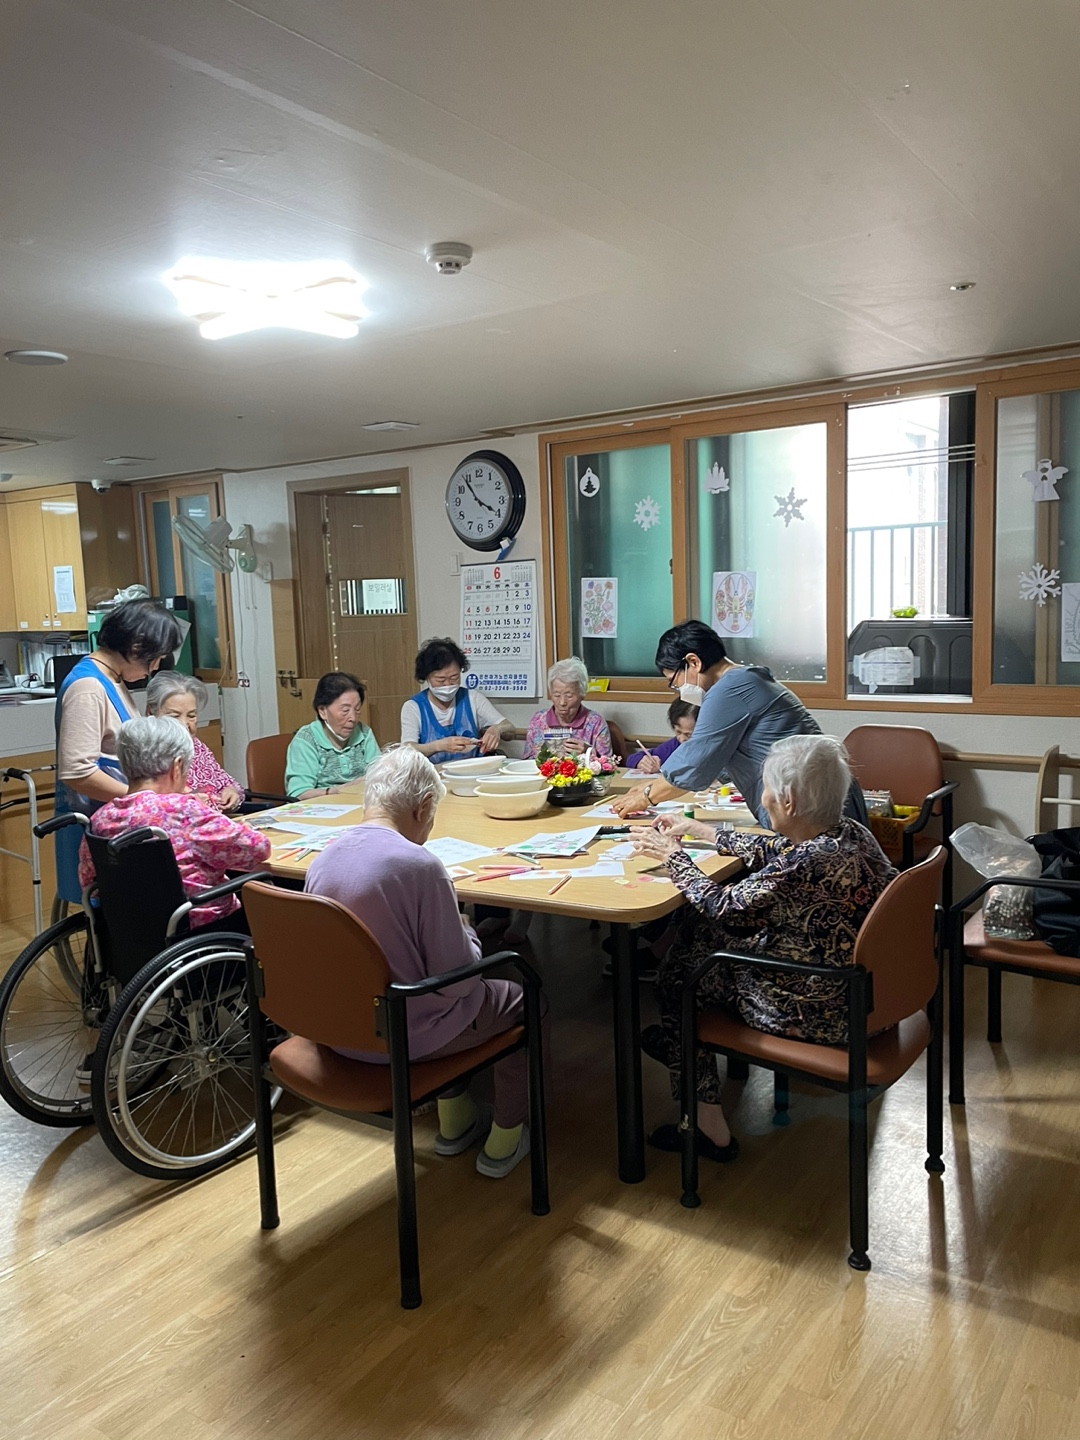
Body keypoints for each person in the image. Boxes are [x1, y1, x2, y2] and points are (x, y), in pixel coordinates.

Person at [630, 734, 895, 1162]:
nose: (762, 795)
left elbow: (723, 907)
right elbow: (779, 849)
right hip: (870, 994)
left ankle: (704, 1121)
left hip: (819, 1009)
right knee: (696, 939)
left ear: (787, 801)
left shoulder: (806, 864)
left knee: (680, 978)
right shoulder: (850, 834)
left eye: (766, 787)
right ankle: (686, 1051)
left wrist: (673, 855)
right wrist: (706, 833)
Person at [305, 747, 541, 1178]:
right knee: (521, 996)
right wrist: (468, 931)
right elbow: (459, 982)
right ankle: (506, 1136)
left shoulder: (323, 860)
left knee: (425, 985)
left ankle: (457, 1119)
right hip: (406, 1034)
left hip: (340, 1029)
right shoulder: (419, 866)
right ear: (423, 806)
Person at [612, 619, 868, 826]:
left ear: (693, 662)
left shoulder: (730, 688)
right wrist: (650, 787)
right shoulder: (746, 677)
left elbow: (695, 761)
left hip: (807, 808)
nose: (677, 689)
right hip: (817, 799)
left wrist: (646, 797)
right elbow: (715, 760)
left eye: (674, 680)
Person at [78, 717, 271, 931]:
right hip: (202, 927)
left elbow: (89, 882)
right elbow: (258, 849)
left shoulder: (100, 818)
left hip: (130, 931)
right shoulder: (185, 811)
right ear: (177, 766)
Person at [53, 598, 182, 905]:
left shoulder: (113, 680)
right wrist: (141, 799)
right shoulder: (88, 688)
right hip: (98, 826)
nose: (154, 669)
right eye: (154, 659)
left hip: (117, 821)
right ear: (136, 647)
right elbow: (78, 771)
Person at [400, 637, 513, 763]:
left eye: (454, 678)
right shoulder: (413, 707)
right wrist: (438, 746)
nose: (448, 684)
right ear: (427, 677)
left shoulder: (472, 698)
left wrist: (497, 729)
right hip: (433, 772)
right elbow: (407, 750)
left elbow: (509, 728)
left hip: (473, 769)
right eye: (440, 680)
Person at [145, 671, 244, 811]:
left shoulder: (197, 746)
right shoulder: (145, 755)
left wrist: (232, 792)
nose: (185, 724)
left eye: (191, 716)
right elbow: (146, 807)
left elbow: (228, 782)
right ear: (150, 712)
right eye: (174, 716)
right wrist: (189, 803)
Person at [285, 672, 380, 799]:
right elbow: (299, 793)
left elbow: (379, 775)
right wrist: (340, 790)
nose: (353, 718)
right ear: (322, 711)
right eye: (345, 710)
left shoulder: (364, 733)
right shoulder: (306, 740)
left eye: (357, 709)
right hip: (321, 806)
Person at [523, 657, 613, 760]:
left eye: (569, 696)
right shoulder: (539, 720)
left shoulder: (595, 722)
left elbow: (608, 763)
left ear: (582, 694)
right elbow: (527, 759)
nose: (562, 702)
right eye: (557, 695)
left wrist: (588, 752)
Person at [624, 698, 699, 774]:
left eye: (689, 735)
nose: (682, 739)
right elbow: (631, 760)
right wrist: (643, 762)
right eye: (678, 732)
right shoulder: (674, 745)